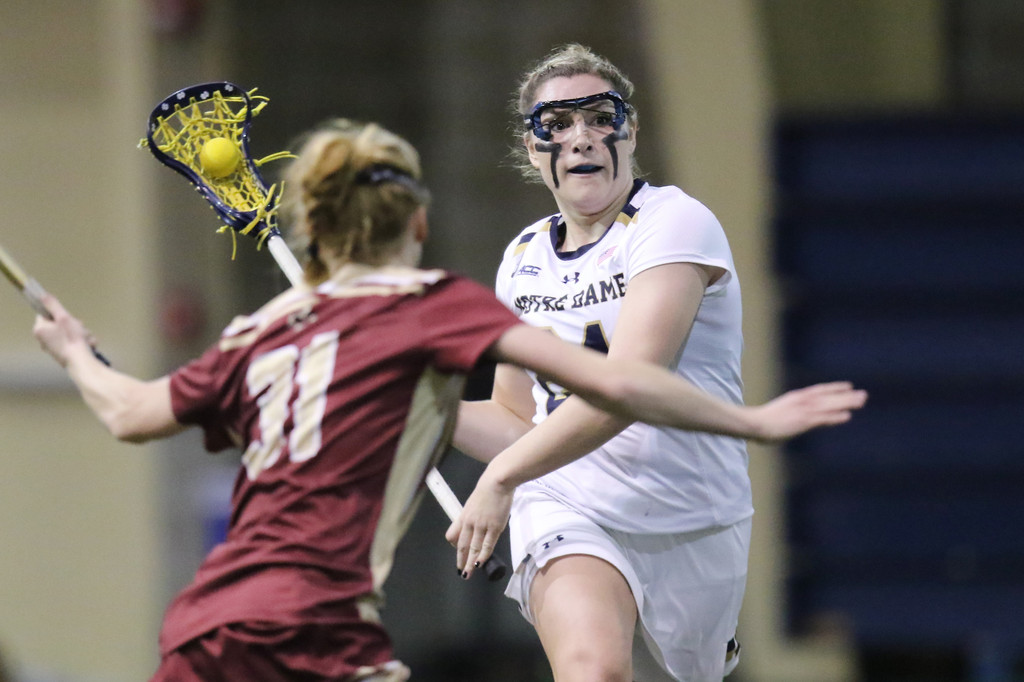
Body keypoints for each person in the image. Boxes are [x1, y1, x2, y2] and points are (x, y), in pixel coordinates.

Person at [32, 119, 863, 682]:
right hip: (317, 631)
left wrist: (75, 352)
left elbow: (129, 413)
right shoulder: (427, 303)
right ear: (418, 226)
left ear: (314, 231)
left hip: (203, 629)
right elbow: (617, 383)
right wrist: (750, 420)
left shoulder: (264, 329)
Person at [447, 44, 817, 682]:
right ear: (534, 150)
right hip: (569, 499)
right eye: (556, 125)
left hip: (693, 512)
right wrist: (414, 407)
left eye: (599, 116)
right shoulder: (522, 257)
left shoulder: (673, 225)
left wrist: (501, 476)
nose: (581, 137)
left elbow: (628, 391)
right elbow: (515, 415)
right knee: (594, 669)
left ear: (631, 128)